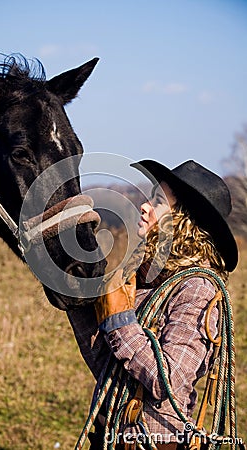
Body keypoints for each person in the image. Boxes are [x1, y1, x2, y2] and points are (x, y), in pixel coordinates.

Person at [67, 159, 238, 450]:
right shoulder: (147, 277)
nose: (144, 206)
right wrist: (77, 296)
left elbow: (167, 382)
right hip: (109, 436)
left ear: (183, 220)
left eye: (158, 201)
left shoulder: (197, 289)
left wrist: (120, 321)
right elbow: (110, 367)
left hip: (156, 443)